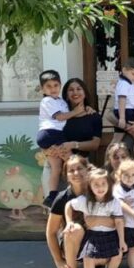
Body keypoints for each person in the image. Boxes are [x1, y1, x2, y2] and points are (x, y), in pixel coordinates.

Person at [66, 168, 125, 268]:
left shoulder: (114, 202)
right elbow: (69, 205)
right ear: (90, 186)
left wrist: (122, 240)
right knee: (88, 258)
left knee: (118, 254)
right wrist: (69, 221)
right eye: (96, 185)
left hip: (110, 234)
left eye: (103, 184)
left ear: (109, 185)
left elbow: (119, 221)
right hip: (93, 235)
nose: (100, 188)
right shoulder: (85, 200)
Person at [37, 70, 89, 204]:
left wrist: (86, 110)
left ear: (60, 86)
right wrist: (76, 111)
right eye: (48, 86)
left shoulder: (60, 101)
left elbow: (70, 116)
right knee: (73, 161)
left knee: (57, 167)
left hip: (52, 135)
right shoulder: (47, 101)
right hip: (51, 133)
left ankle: (52, 195)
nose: (53, 89)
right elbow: (60, 117)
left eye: (55, 85)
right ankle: (85, 188)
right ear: (42, 89)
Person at [45, 156, 89, 268]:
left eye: (80, 168)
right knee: (74, 229)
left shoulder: (98, 191)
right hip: (72, 241)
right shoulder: (62, 198)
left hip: (97, 240)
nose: (76, 173)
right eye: (71, 170)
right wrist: (59, 261)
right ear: (66, 175)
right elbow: (51, 232)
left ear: (87, 170)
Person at [111, 57, 134, 161]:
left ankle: (109, 161)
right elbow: (122, 99)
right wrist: (122, 118)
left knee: (117, 138)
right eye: (133, 74)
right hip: (128, 112)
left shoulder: (127, 82)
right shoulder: (124, 83)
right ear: (125, 70)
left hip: (128, 112)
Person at [60, 78, 103, 159]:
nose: (75, 92)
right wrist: (74, 112)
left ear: (85, 93)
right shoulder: (60, 115)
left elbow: (95, 144)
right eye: (71, 90)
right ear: (66, 95)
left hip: (81, 164)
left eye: (79, 89)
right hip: (58, 161)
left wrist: (73, 145)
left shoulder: (94, 116)